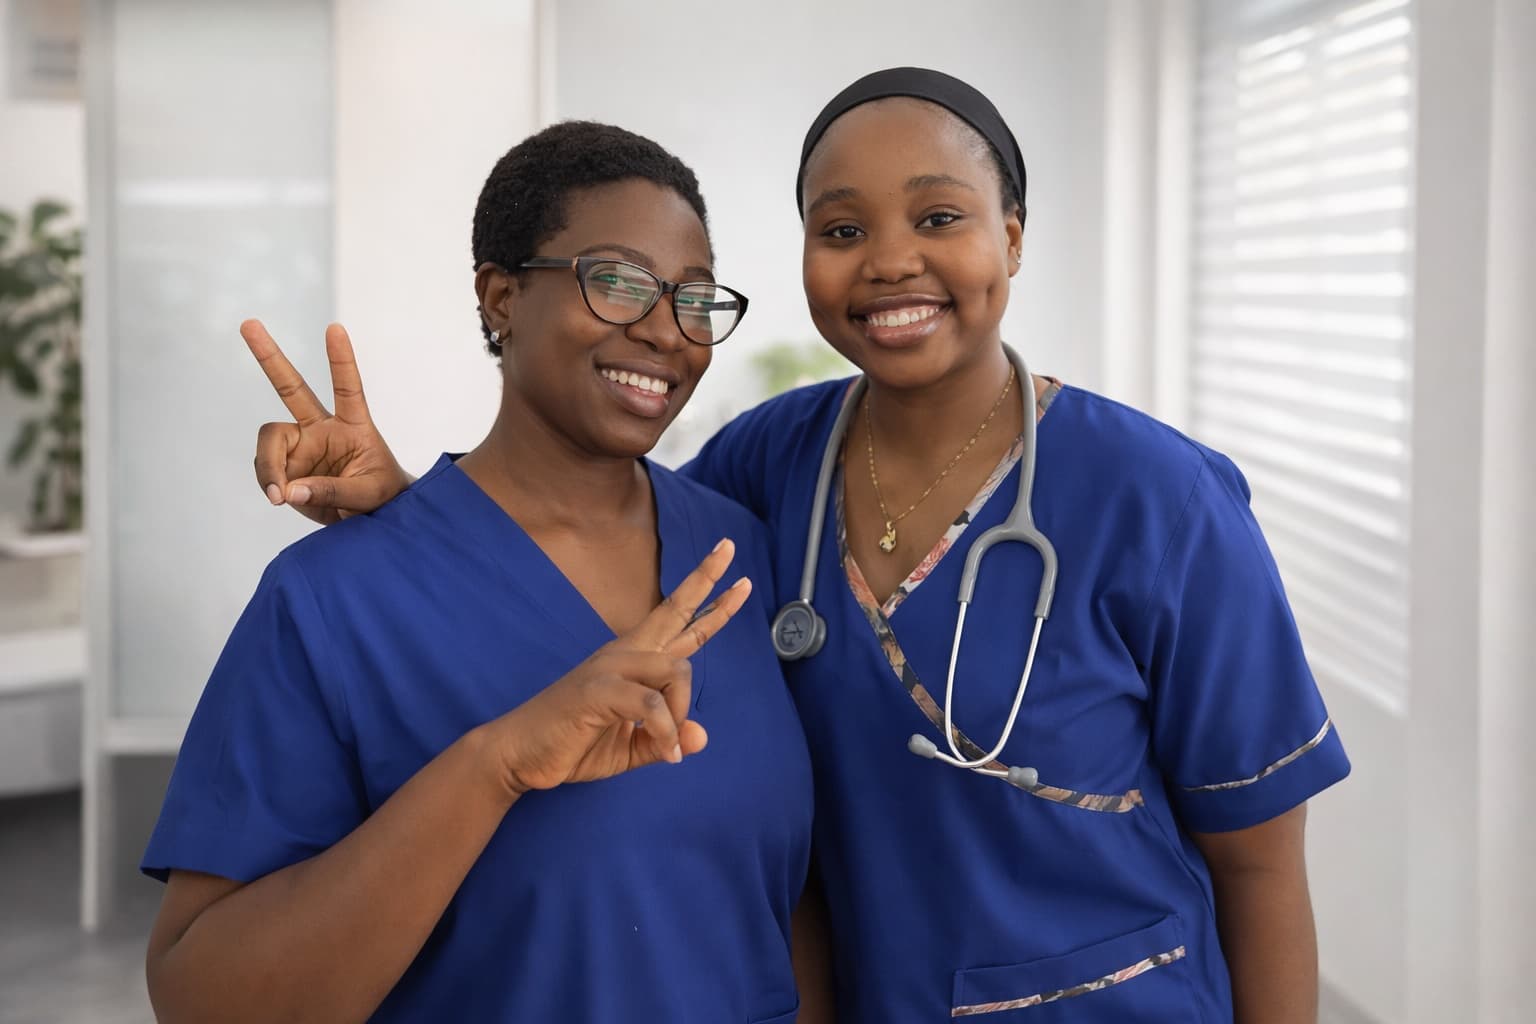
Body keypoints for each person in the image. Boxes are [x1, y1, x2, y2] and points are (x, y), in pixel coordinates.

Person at [246, 70, 1351, 1022]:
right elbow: (567, 536)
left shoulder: (1161, 497)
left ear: (1010, 239)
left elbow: (1261, 865)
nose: (888, 262)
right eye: (841, 230)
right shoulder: (768, 467)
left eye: (939, 218)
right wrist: (408, 515)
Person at [141, 121, 820, 1024]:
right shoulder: (335, 600)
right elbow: (202, 999)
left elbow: (791, 908)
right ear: (501, 296)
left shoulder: (744, 556)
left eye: (695, 300)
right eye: (615, 282)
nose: (665, 331)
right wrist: (493, 766)